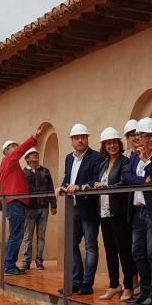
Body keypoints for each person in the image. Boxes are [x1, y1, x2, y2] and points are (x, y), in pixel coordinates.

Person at [89, 127, 137, 301]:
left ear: (119, 143)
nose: (112, 146)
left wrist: (106, 187)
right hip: (104, 211)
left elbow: (124, 183)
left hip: (119, 211)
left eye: (115, 142)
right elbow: (99, 182)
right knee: (109, 250)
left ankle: (129, 286)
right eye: (108, 143)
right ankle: (114, 285)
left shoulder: (125, 162)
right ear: (104, 146)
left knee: (124, 250)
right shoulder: (103, 164)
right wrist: (92, 185)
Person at [122, 117, 152, 305]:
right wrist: (142, 180)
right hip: (137, 211)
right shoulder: (132, 157)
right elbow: (126, 177)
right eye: (147, 136)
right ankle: (145, 291)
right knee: (137, 252)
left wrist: (147, 162)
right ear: (140, 137)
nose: (151, 140)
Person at [56, 123, 102, 295]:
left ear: (87, 139)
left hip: (89, 208)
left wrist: (81, 186)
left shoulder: (96, 157)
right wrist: (60, 186)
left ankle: (87, 284)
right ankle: (76, 281)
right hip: (73, 208)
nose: (81, 140)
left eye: (83, 137)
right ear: (72, 140)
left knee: (90, 246)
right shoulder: (69, 158)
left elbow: (96, 180)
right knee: (71, 244)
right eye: (77, 137)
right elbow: (68, 179)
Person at [0, 129, 45, 277]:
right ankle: (9, 266)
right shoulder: (9, 159)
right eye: (14, 146)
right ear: (7, 151)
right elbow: (20, 150)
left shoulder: (9, 165)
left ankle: (9, 264)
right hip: (15, 202)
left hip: (13, 202)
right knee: (16, 235)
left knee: (15, 235)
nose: (16, 147)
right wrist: (34, 137)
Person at [21, 147, 56, 270]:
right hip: (29, 209)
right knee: (28, 236)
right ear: (27, 159)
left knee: (41, 236)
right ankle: (26, 261)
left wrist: (53, 205)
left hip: (43, 208)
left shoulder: (45, 171)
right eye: (32, 154)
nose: (35, 155)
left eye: (36, 153)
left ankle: (39, 261)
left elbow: (51, 188)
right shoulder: (23, 173)